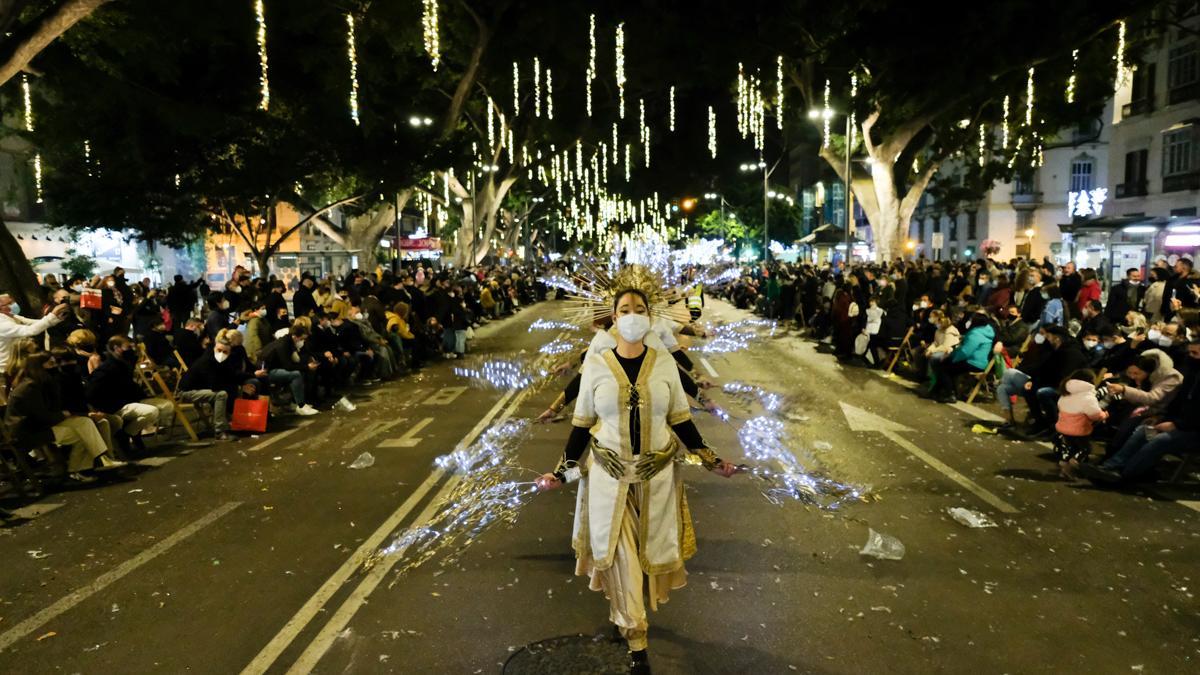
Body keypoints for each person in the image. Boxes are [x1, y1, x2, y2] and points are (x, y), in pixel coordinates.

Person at [535, 288, 736, 672]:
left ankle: (623, 613)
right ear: (612, 316)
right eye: (624, 309)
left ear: (648, 315)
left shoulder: (663, 364)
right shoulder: (596, 364)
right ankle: (638, 643)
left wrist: (712, 460)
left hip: (657, 480)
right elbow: (581, 427)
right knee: (622, 560)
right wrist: (561, 472)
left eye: (639, 309)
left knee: (645, 564)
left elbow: (681, 420)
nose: (632, 315)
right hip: (609, 482)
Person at [1084, 337, 1200, 484]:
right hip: (1180, 422)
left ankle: (1124, 475)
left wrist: (1177, 424)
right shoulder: (1193, 374)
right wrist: (1162, 418)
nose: (1190, 357)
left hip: (1193, 430)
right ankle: (1111, 467)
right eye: (1190, 352)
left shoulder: (1176, 376)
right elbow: (1179, 404)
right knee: (1144, 430)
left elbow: (1194, 412)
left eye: (1195, 353)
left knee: (1160, 439)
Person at [5, 352, 125, 483]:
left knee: (84, 426)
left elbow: (51, 410)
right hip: (28, 431)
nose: (55, 366)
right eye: (51, 364)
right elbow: (41, 415)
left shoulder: (41, 383)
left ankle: (90, 465)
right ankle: (96, 460)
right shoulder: (29, 387)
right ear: (39, 367)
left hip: (39, 425)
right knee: (83, 430)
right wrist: (64, 414)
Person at [85, 336, 175, 453]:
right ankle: (125, 435)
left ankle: (132, 433)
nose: (132, 350)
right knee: (151, 412)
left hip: (127, 400)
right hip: (115, 405)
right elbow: (92, 390)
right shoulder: (108, 367)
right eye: (128, 347)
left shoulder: (122, 363)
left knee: (165, 407)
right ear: (117, 348)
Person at [1052, 369, 1107, 479]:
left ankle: (1064, 465)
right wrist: (1104, 415)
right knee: (1085, 449)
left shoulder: (1065, 392)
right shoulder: (1088, 397)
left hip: (1063, 428)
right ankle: (1072, 464)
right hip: (1079, 430)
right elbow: (1094, 414)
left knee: (1071, 448)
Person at [0, 292, 67, 381]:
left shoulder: (13, 316)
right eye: (9, 303)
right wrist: (52, 315)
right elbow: (31, 330)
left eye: (13, 301)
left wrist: (57, 318)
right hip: (7, 369)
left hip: (20, 363)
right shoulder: (2, 323)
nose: (14, 305)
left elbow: (36, 323)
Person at [258, 324, 320, 416]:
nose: (302, 341)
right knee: (296, 374)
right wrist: (307, 367)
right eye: (301, 339)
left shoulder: (287, 342)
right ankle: (301, 406)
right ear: (295, 336)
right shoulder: (283, 345)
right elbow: (288, 366)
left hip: (273, 368)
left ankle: (289, 403)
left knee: (299, 373)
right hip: (266, 372)